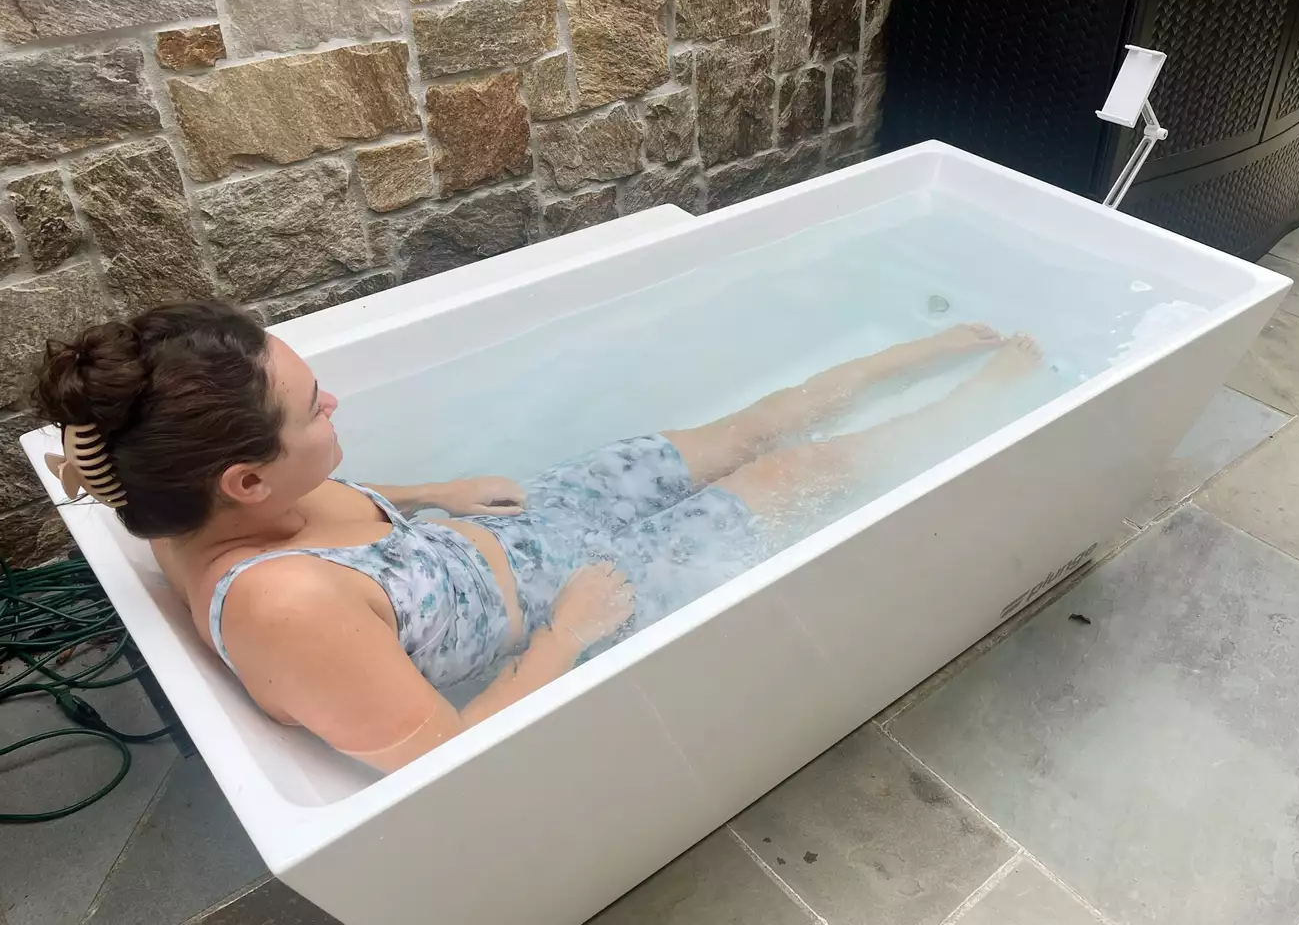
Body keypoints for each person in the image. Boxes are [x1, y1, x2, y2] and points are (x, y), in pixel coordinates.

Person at [32, 301, 1041, 771]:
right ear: (247, 479)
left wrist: (434, 490)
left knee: (747, 427)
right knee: (791, 470)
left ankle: (924, 347)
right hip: (594, 588)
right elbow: (439, 766)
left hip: (528, 517)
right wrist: (570, 634)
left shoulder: (171, 489)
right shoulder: (284, 606)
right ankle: (989, 405)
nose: (335, 397)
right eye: (313, 405)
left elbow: (317, 501)